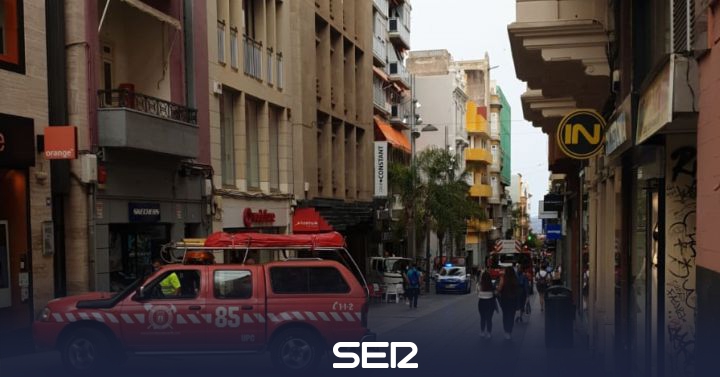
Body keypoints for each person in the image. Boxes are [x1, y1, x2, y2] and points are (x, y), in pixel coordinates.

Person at [496, 266, 520, 340]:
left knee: (505, 315)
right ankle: (510, 331)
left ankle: (506, 331)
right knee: (512, 316)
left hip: (505, 300)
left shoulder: (503, 278)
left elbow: (499, 289)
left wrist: (497, 288)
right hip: (513, 300)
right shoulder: (515, 279)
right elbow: (518, 290)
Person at [476, 270, 497, 339]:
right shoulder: (491, 285)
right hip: (490, 302)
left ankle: (482, 332)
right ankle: (489, 333)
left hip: (481, 302)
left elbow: (477, 293)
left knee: (482, 318)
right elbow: (495, 293)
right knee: (489, 318)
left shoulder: (479, 285)